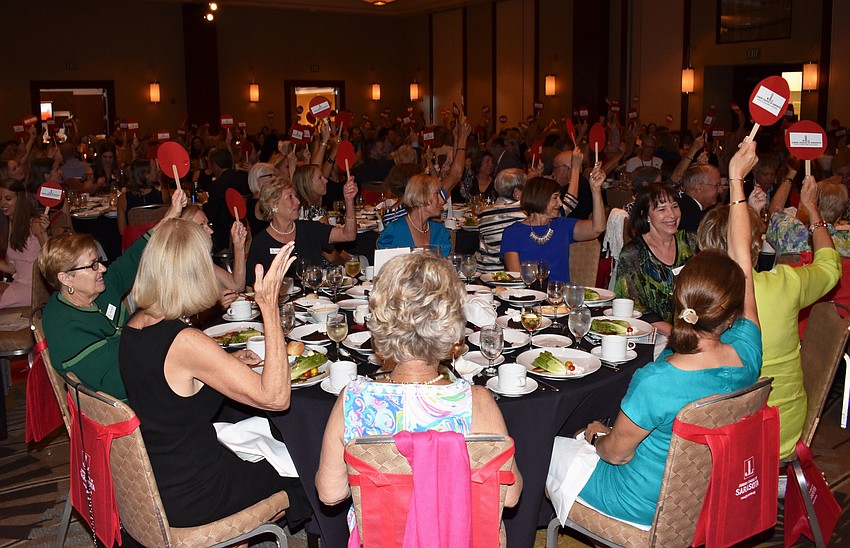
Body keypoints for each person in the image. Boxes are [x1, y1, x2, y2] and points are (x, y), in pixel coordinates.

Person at [548, 140, 762, 527]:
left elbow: (615, 455)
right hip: (713, 491)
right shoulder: (748, 349)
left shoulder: (657, 380)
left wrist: (595, 436)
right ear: (731, 312)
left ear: (678, 300)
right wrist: (736, 180)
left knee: (544, 447)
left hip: (643, 503)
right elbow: (743, 257)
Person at [119, 220, 310, 528]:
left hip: (158, 477)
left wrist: (224, 361)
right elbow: (276, 399)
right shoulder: (186, 341)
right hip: (196, 492)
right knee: (304, 469)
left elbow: (168, 385)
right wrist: (269, 307)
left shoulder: (135, 325)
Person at [316, 252, 522, 510]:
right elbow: (510, 495)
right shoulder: (477, 402)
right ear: (453, 329)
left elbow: (330, 493)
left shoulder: (353, 399)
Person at [698, 175, 841, 459]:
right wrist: (813, 210)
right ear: (754, 243)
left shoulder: (698, 294)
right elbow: (829, 267)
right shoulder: (784, 283)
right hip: (783, 426)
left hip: (725, 436)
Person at [36, 192, 186, 400]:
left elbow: (134, 257)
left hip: (142, 375)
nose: (103, 269)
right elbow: (117, 382)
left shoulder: (97, 292)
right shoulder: (66, 327)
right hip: (129, 404)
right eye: (93, 265)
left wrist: (171, 214)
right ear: (66, 278)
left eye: (99, 261)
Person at [615, 183, 698, 335]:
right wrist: (679, 336)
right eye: (662, 209)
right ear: (646, 216)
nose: (672, 215)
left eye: (674, 206)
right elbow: (633, 307)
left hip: (696, 330)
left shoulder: (691, 242)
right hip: (654, 336)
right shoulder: (633, 254)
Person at [501, 165, 606, 282]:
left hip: (558, 296)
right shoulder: (513, 233)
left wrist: (596, 190)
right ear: (540, 198)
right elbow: (516, 278)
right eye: (555, 198)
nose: (560, 203)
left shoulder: (563, 226)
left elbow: (597, 228)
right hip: (528, 296)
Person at [246, 176, 357, 285]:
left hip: (316, 299)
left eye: (296, 196)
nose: (298, 201)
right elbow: (253, 285)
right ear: (273, 205)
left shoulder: (309, 229)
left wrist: (349, 201)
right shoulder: (261, 242)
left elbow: (348, 235)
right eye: (290, 197)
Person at [766, 175, 850, 256]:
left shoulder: (791, 231)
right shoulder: (846, 241)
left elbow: (774, 212)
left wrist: (790, 174)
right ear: (840, 214)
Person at [180, 204, 246, 307]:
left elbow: (237, 286)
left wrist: (238, 246)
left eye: (208, 224)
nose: (211, 231)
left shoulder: (202, 261)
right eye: (202, 225)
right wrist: (215, 306)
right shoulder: (177, 265)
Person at [0, 179, 49, 308]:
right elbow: (12, 268)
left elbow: (51, 258)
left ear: (20, 199)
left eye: (8, 198)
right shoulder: (7, 226)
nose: (2, 203)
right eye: (0, 199)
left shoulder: (34, 223)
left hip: (35, 287)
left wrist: (44, 234)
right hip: (18, 283)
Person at [377, 174, 452, 257]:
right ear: (421, 196)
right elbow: (385, 267)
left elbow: (445, 267)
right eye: (436, 194)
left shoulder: (439, 232)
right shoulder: (395, 232)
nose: (442, 201)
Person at [476, 168, 527, 273]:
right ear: (517, 192)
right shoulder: (525, 212)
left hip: (485, 271)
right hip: (513, 273)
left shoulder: (483, 213)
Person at [116, 159, 166, 235]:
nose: (158, 171)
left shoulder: (123, 199)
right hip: (159, 240)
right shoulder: (163, 194)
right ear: (147, 175)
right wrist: (162, 183)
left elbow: (122, 231)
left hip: (136, 244)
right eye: (155, 168)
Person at [676, 164, 723, 233]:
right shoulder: (693, 219)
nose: (721, 191)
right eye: (717, 185)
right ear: (698, 188)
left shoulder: (684, 206)